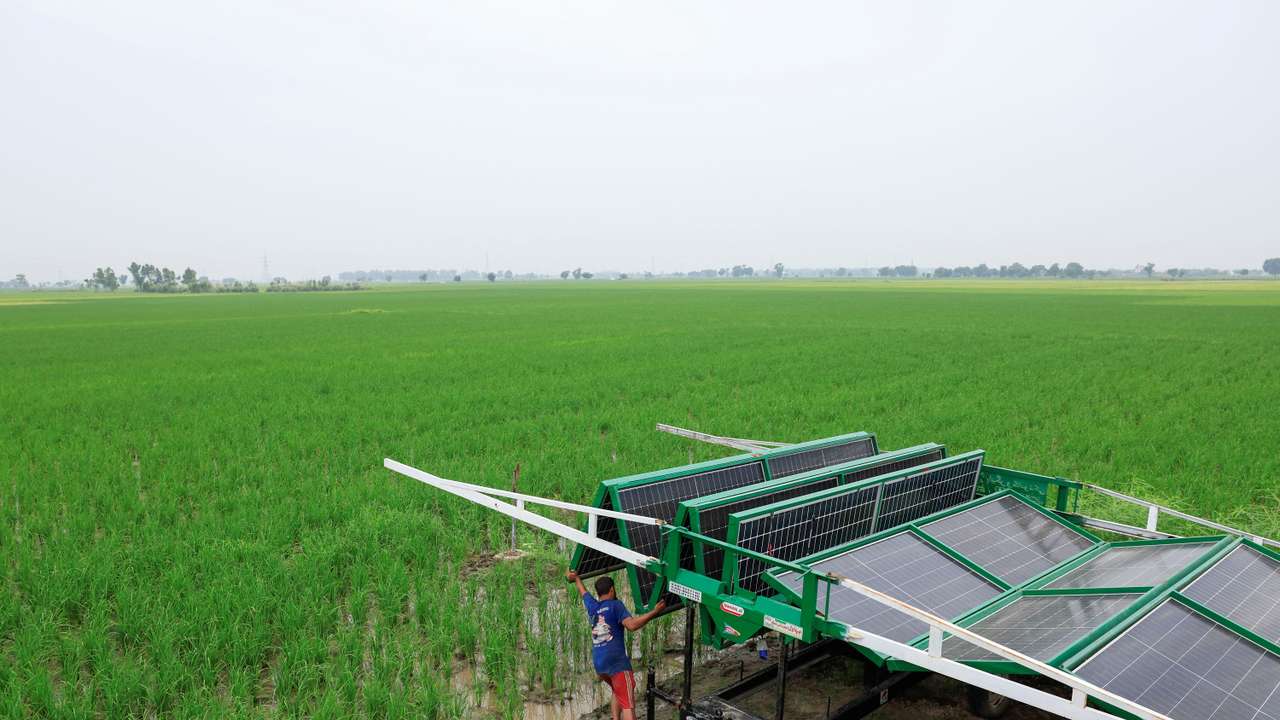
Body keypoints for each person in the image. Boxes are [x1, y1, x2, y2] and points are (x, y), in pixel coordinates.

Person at [566, 569, 666, 720]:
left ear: (598, 593)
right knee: (628, 703)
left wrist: (577, 578)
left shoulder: (593, 607)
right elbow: (631, 625)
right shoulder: (615, 605)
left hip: (600, 665)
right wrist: (654, 612)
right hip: (617, 664)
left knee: (617, 689)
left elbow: (583, 593)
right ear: (612, 590)